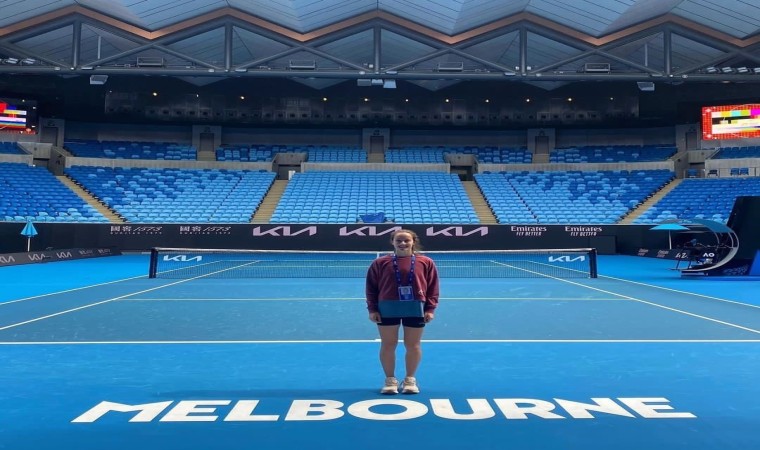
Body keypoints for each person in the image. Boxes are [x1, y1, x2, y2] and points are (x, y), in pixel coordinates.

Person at [365, 229, 439, 395]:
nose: (403, 243)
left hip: (415, 307)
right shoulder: (379, 263)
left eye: (406, 240)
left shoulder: (426, 262)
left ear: (413, 241)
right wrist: (372, 308)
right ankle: (390, 380)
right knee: (388, 344)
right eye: (399, 240)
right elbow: (371, 288)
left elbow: (433, 288)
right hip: (387, 307)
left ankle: (410, 379)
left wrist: (430, 308)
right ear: (393, 242)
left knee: (412, 345)